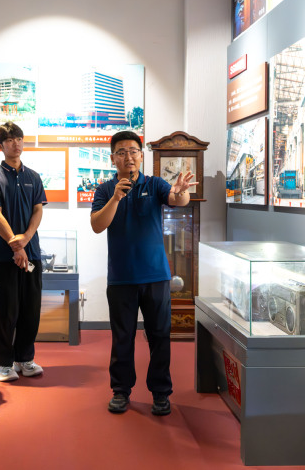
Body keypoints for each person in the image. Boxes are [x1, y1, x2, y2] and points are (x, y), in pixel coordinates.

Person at [90, 131, 196, 416]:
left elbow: (177, 199)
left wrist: (181, 190)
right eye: (122, 152)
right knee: (122, 338)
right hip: (121, 277)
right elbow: (97, 225)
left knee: (159, 336)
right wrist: (115, 198)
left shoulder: (154, 184)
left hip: (156, 276)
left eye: (133, 151)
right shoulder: (105, 190)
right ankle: (121, 390)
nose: (129, 157)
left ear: (141, 155)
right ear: (113, 158)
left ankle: (161, 393)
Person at [0, 122, 47, 382]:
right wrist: (15, 244)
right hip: (4, 255)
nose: (16, 143)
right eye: (9, 140)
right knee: (4, 310)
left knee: (30, 309)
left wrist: (26, 239)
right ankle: (1, 363)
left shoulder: (33, 176)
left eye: (18, 138)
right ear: (0, 145)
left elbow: (38, 210)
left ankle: (25, 358)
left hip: (32, 253)